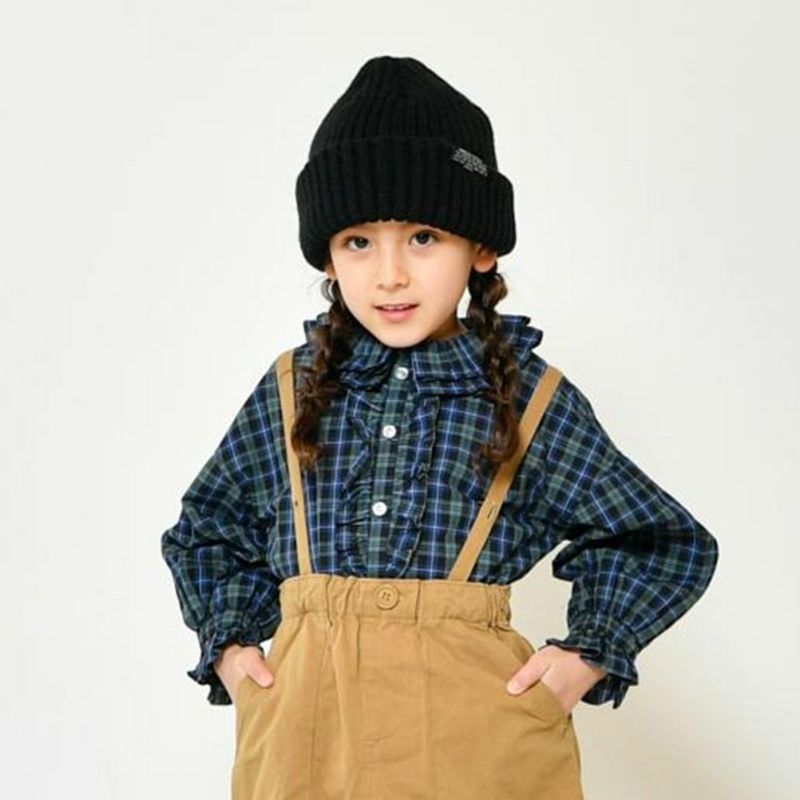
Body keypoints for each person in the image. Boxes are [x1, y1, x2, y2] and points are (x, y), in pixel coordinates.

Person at [160, 54, 719, 799]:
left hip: (477, 746)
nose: (390, 273)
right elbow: (208, 527)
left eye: (423, 237)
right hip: (304, 746)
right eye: (358, 242)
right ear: (328, 257)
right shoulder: (294, 389)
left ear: (480, 247)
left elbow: (658, 540)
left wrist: (587, 654)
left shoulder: (526, 397)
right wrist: (231, 646)